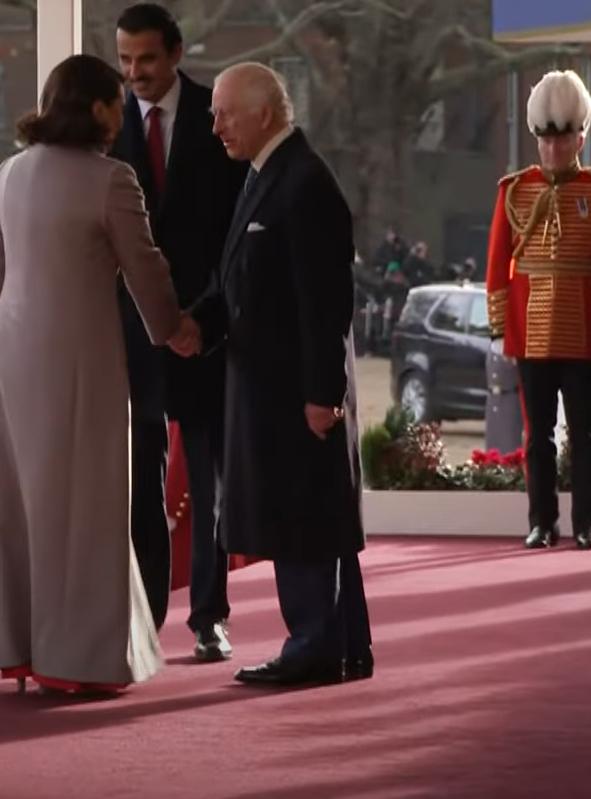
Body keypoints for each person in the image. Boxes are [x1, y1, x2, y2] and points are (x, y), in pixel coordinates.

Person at [0, 54, 200, 696]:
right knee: (86, 505)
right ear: (98, 109)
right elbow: (145, 267)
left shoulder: (6, 175)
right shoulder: (111, 180)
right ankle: (75, 659)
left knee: (17, 507)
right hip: (79, 360)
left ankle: (19, 647)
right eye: (115, 100)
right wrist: (173, 329)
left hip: (6, 361)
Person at [196, 63, 372, 686]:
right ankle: (340, 644)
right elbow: (240, 282)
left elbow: (326, 301)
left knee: (304, 517)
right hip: (270, 389)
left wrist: (323, 394)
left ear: (264, 113)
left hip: (298, 393)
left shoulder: (304, 183)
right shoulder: (265, 177)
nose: (215, 124)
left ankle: (313, 646)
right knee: (312, 516)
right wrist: (197, 325)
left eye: (225, 112)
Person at [111, 2, 247, 654]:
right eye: (125, 61)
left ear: (174, 54)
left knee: (208, 478)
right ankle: (147, 621)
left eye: (145, 60)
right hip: (132, 337)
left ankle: (209, 618)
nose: (134, 73)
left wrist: (200, 316)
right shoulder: (104, 125)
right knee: (139, 483)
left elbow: (233, 228)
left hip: (204, 327)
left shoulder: (213, 117)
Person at [485, 69, 591, 550]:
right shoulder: (513, 190)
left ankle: (586, 523)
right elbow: (496, 264)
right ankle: (542, 521)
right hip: (530, 333)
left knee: (586, 434)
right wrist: (499, 328)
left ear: (580, 137)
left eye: (563, 138)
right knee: (538, 435)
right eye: (546, 140)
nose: (553, 149)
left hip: (585, 332)